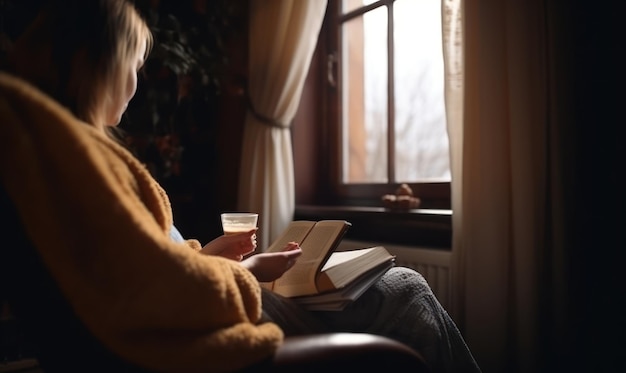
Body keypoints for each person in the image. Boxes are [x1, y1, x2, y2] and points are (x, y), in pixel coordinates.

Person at [0, 1, 480, 372]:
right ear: (99, 64)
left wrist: (210, 255)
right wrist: (249, 270)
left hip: (211, 299)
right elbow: (159, 291)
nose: (135, 82)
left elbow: (138, 275)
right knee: (406, 289)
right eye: (134, 64)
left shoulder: (57, 155)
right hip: (213, 318)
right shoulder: (82, 162)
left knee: (388, 286)